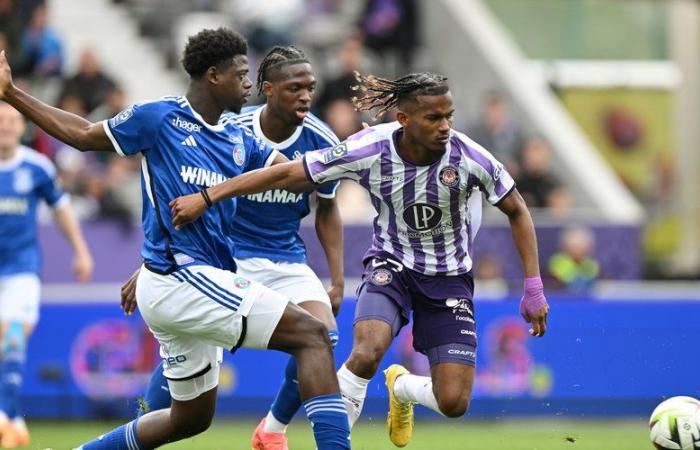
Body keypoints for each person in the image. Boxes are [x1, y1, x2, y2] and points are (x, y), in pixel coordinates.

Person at [0, 28, 351, 450]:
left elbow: (287, 174)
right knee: (313, 335)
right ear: (213, 76)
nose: (248, 84)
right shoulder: (160, 118)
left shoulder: (238, 137)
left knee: (189, 420)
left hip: (185, 280)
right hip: (178, 277)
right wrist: (13, 94)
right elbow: (83, 134)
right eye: (241, 74)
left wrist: (352, 154)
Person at [169, 71, 550, 448]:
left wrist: (533, 287)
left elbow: (517, 209)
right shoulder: (369, 148)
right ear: (404, 119)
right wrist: (208, 197)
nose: (445, 126)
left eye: (449, 116)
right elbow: (286, 173)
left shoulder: (468, 157)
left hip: (449, 278)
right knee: (366, 353)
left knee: (454, 402)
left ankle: (401, 387)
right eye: (434, 118)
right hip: (391, 266)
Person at [133, 45, 345, 450]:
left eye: (311, 88)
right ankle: (139, 427)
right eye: (295, 87)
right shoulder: (234, 127)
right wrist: (143, 269)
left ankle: (272, 429)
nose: (305, 96)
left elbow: (327, 209)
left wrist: (335, 279)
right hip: (226, 258)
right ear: (268, 89)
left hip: (286, 257)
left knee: (325, 337)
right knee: (185, 360)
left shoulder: (321, 139)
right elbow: (182, 204)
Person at [0, 102, 93, 448]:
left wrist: (81, 251)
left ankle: (6, 419)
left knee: (12, 339)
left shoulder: (36, 167)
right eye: (1, 121)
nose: (6, 126)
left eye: (12, 120)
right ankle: (15, 422)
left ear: (21, 126)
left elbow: (62, 209)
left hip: (21, 270)